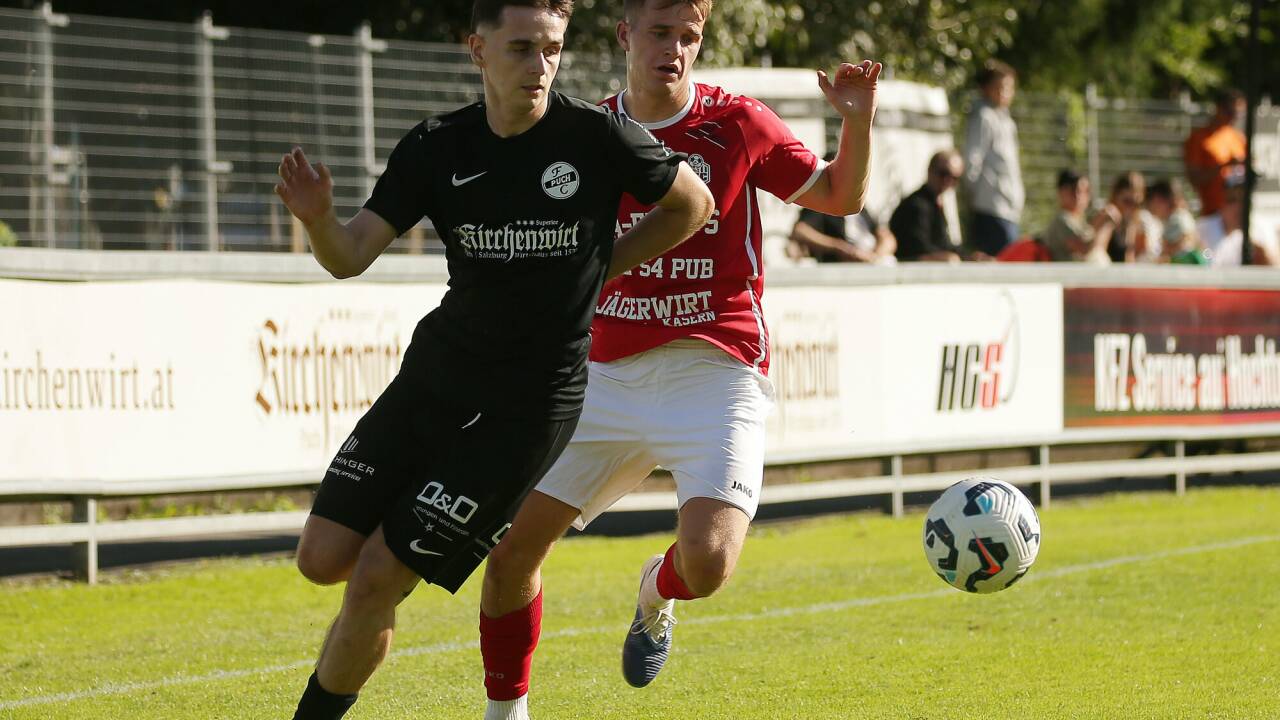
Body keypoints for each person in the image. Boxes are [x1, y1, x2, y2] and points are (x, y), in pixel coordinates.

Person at [274, 2, 714, 719]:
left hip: (530, 404)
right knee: (321, 560)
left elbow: (691, 205)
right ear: (477, 50)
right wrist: (319, 220)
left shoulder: (596, 136)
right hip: (438, 375)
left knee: (377, 577)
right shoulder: (436, 145)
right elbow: (349, 255)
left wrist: (603, 267)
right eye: (520, 49)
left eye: (551, 49)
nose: (539, 67)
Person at [474, 0, 880, 715]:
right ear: (626, 34)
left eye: (689, 37)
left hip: (715, 370)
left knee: (711, 563)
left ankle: (657, 590)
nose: (675, 49)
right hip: (604, 376)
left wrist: (855, 118)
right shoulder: (582, 133)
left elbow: (841, 195)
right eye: (660, 33)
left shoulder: (737, 123)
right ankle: (506, 712)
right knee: (509, 556)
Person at [962, 60, 1024, 256]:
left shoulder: (1006, 120)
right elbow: (972, 160)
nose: (1004, 92)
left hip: (1008, 208)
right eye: (999, 87)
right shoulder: (983, 117)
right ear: (985, 88)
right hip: (990, 208)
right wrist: (974, 198)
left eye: (1009, 87)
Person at [889, 150, 964, 263]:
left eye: (955, 178)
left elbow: (943, 244)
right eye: (943, 174)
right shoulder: (916, 205)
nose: (948, 181)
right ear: (930, 171)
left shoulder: (935, 203)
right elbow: (918, 248)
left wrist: (968, 256)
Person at [1185, 88, 1247, 217]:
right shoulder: (1199, 138)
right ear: (1219, 108)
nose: (1235, 117)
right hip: (1213, 214)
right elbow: (1194, 178)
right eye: (1232, 112)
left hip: (1237, 215)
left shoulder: (1238, 138)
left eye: (1239, 113)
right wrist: (1223, 166)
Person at [1197, 170, 1279, 267]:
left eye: (1245, 200)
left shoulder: (1263, 229)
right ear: (1222, 200)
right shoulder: (1202, 230)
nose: (1240, 207)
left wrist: (1266, 259)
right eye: (1233, 199)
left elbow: (1275, 269)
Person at [1089, 172, 1151, 264]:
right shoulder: (1108, 215)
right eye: (1127, 201)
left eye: (1136, 204)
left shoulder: (1134, 221)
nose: (1131, 208)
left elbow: (1129, 258)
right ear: (1115, 196)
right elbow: (1096, 252)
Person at [1041, 169, 1093, 261]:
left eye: (1086, 191)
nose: (1079, 196)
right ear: (1061, 191)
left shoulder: (1083, 220)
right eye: (1075, 190)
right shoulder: (1061, 220)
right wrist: (1102, 223)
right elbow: (1084, 248)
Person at [1146, 178, 1202, 263]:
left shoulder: (1179, 217)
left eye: (1152, 201)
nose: (1151, 206)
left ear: (1159, 200)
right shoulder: (1168, 220)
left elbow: (1187, 242)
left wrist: (1165, 256)